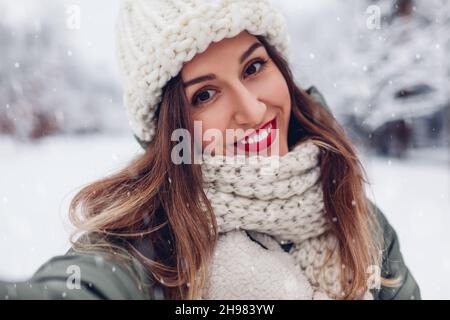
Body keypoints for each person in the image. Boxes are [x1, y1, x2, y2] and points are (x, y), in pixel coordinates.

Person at [0, 0, 420, 300]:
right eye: (205, 95)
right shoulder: (152, 239)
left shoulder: (351, 209)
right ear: (171, 127)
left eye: (254, 67)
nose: (252, 110)